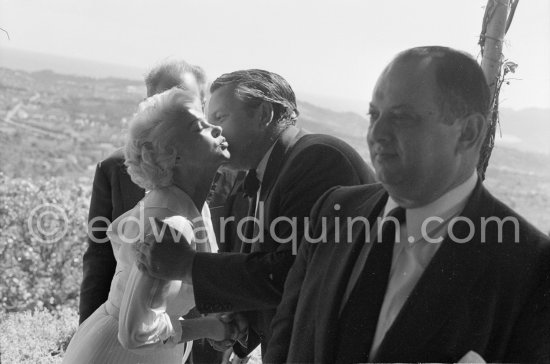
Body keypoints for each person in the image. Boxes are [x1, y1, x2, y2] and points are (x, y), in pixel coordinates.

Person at [264, 46, 550, 363]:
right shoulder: (335, 209)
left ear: (468, 132)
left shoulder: (531, 266)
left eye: (402, 118)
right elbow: (285, 336)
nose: (376, 133)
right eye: (374, 115)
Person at [135, 69, 376, 357]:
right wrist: (244, 320)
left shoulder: (318, 159)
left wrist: (189, 265)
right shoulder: (262, 175)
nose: (215, 131)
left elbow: (294, 271)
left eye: (220, 118)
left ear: (263, 114)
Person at [64, 88, 238, 363]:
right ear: (174, 156)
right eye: (199, 127)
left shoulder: (192, 206)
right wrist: (210, 328)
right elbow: (136, 333)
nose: (216, 128)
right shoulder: (172, 223)